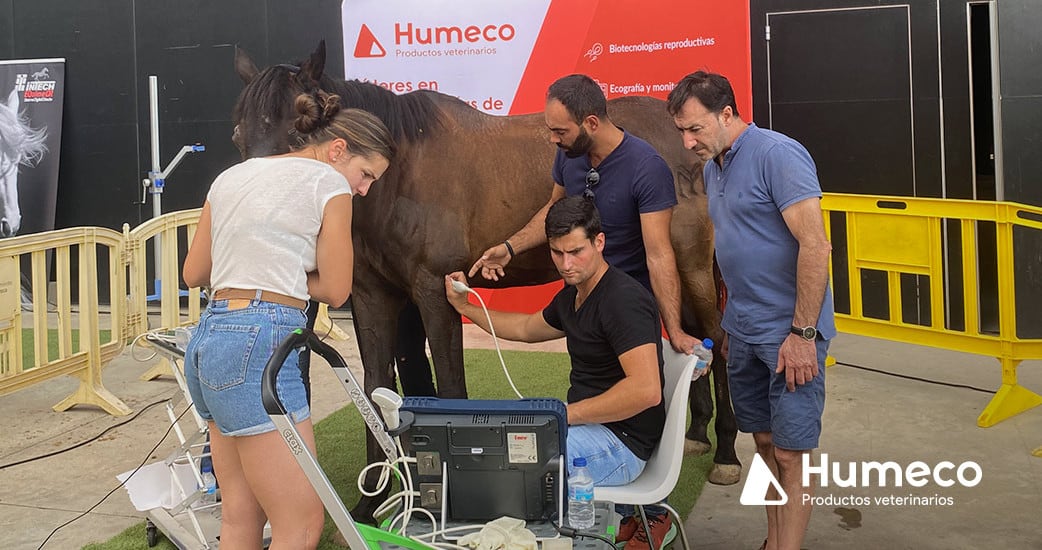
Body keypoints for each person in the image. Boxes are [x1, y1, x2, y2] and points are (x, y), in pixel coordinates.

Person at [182, 91, 394, 549]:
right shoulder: (329, 185)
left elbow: (194, 273)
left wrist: (260, 265)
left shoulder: (230, 177)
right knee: (300, 525)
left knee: (241, 516)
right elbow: (337, 289)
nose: (364, 189)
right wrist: (287, 273)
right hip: (260, 345)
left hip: (208, 340)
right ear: (337, 150)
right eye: (365, 175)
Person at [667, 71, 834, 550]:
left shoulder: (778, 155)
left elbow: (815, 245)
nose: (687, 141)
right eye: (681, 131)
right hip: (742, 331)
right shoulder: (713, 166)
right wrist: (728, 326)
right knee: (762, 445)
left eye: (695, 128)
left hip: (789, 335)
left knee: (790, 455)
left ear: (726, 114)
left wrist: (802, 335)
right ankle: (774, 540)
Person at [448, 196, 668, 550]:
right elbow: (525, 327)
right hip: (587, 430)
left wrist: (565, 415)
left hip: (623, 443)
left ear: (599, 242)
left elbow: (646, 391)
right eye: (557, 253)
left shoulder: (624, 300)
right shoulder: (574, 295)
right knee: (503, 445)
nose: (566, 264)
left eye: (576, 251)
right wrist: (466, 306)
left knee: (515, 465)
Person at [468, 74, 698, 357]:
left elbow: (659, 255)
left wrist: (673, 329)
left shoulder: (646, 168)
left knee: (637, 394)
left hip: (628, 309)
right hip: (582, 305)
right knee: (587, 386)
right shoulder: (568, 154)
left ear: (591, 123)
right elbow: (555, 207)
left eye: (561, 132)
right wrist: (509, 248)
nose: (553, 139)